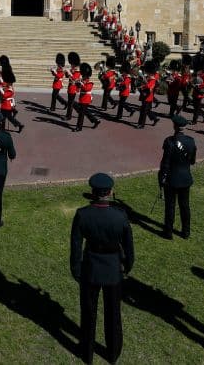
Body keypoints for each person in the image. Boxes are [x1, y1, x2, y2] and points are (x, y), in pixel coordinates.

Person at [70, 173, 134, 364]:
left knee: (88, 313)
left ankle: (87, 353)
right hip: (113, 269)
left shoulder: (83, 214)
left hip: (90, 268)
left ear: (92, 192)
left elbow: (75, 247)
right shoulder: (120, 216)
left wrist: (76, 270)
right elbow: (129, 248)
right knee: (113, 314)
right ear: (110, 192)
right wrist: (126, 267)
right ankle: (112, 353)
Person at [159, 115, 197, 239]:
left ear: (175, 126)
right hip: (185, 177)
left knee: (170, 206)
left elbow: (165, 163)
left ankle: (168, 232)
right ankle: (186, 232)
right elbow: (192, 161)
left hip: (172, 178)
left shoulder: (169, 141)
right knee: (185, 206)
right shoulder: (191, 141)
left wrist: (162, 177)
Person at [73, 63, 101, 133]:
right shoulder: (83, 81)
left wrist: (82, 84)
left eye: (84, 76)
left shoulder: (90, 82)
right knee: (85, 111)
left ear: (87, 76)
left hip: (86, 99)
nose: (83, 77)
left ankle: (79, 127)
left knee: (81, 114)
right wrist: (77, 84)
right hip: (82, 98)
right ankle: (95, 120)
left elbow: (87, 89)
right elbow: (79, 89)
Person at [137, 60, 160, 129]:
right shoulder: (148, 78)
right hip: (145, 96)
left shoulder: (153, 79)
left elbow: (149, 87)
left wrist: (143, 85)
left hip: (148, 97)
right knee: (147, 111)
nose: (147, 73)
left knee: (143, 111)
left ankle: (141, 124)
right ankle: (155, 119)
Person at [65, 52, 81, 120]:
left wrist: (70, 73)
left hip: (73, 88)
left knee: (70, 103)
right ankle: (79, 111)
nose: (71, 66)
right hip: (70, 87)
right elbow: (66, 77)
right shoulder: (73, 71)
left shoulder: (78, 72)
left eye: (72, 64)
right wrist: (67, 73)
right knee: (71, 102)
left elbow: (75, 80)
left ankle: (68, 116)